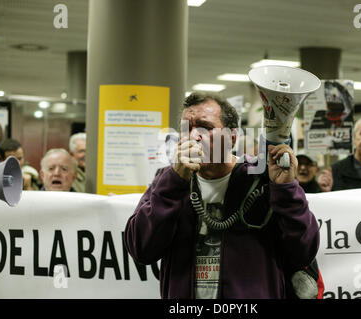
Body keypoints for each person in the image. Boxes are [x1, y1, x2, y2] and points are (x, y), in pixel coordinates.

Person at [125, 92, 320, 299]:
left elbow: (303, 251)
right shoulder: (167, 179)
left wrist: (287, 190)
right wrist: (173, 183)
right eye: (186, 129)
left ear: (232, 137)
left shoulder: (260, 178)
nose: (193, 136)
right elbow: (141, 249)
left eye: (205, 127)